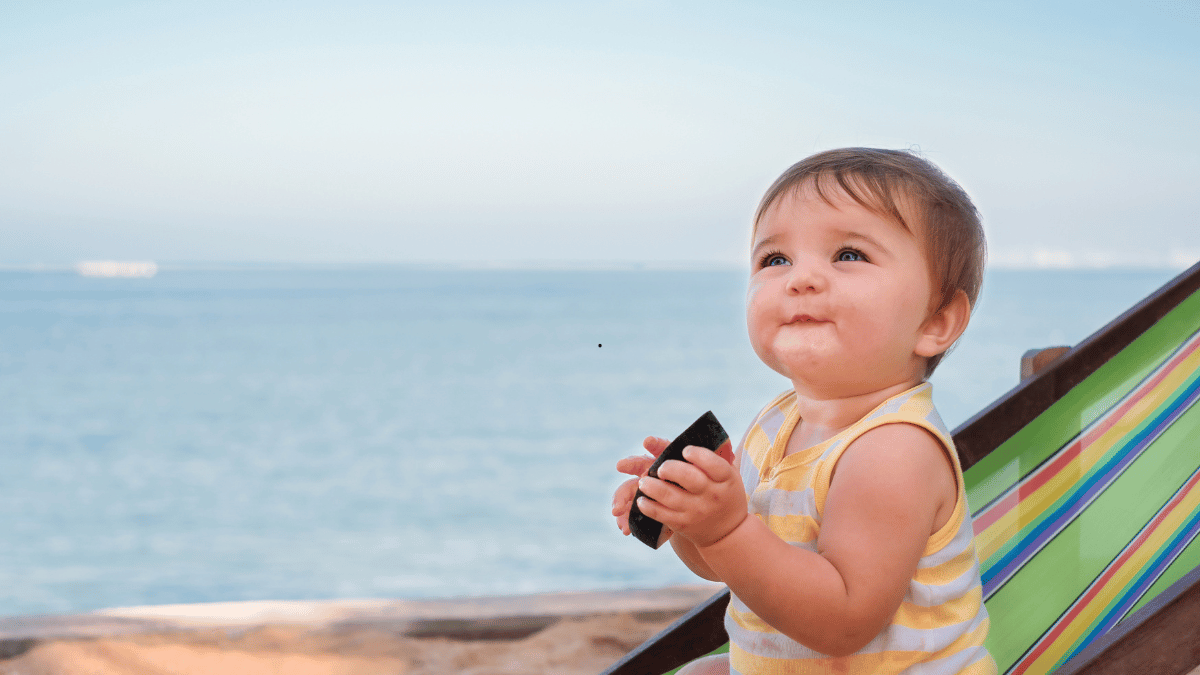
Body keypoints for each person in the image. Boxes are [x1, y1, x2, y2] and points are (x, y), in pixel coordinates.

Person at [612, 148, 996, 674]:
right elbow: (743, 570)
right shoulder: (776, 422)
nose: (802, 278)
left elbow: (841, 622)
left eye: (849, 255)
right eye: (775, 260)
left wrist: (727, 529)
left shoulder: (895, 451)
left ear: (938, 321)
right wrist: (690, 520)